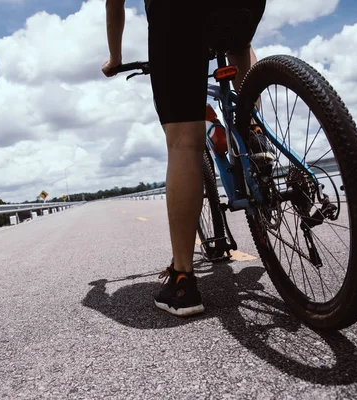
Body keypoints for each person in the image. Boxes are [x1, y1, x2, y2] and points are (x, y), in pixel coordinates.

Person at [102, 0, 266, 316]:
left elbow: (114, 2)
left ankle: (182, 279)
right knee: (238, 41)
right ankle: (254, 127)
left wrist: (115, 59)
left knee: (183, 143)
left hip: (177, 11)